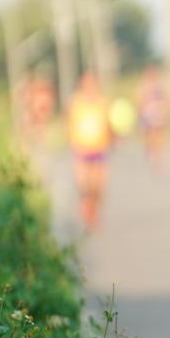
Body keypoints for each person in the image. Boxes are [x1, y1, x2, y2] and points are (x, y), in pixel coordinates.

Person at [67, 70, 112, 231]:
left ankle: (95, 210)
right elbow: (69, 124)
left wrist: (112, 138)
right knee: (84, 186)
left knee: (99, 187)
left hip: (99, 149)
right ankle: (87, 211)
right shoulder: (75, 102)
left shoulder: (103, 102)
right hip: (82, 150)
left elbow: (109, 125)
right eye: (87, 82)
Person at [137, 64, 169, 173]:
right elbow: (140, 100)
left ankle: (158, 158)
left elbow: (165, 99)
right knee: (149, 137)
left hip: (158, 115)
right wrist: (142, 113)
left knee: (159, 137)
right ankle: (150, 152)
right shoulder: (144, 86)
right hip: (147, 115)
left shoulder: (159, 85)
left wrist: (164, 111)